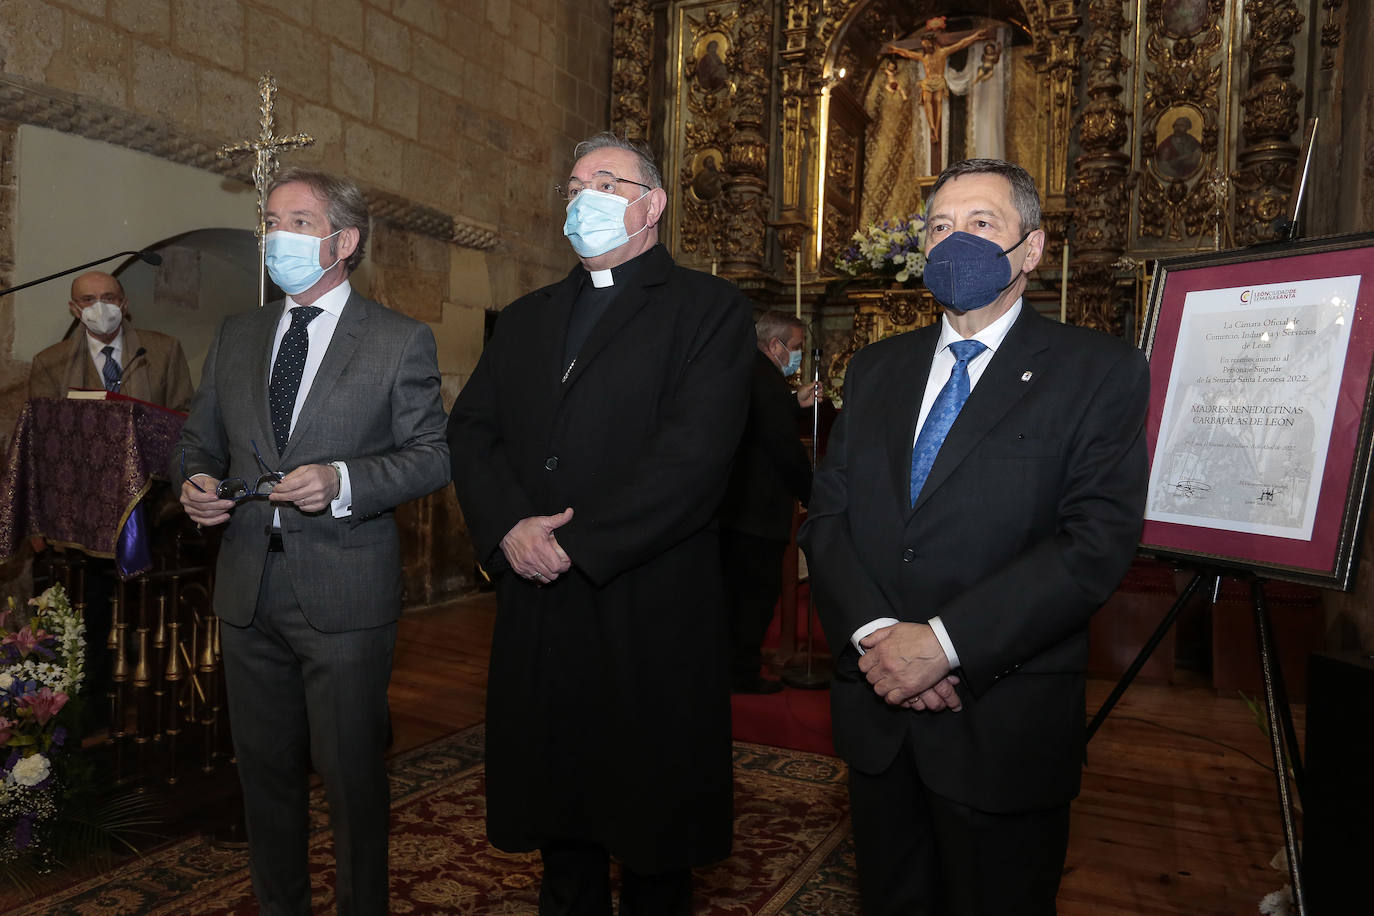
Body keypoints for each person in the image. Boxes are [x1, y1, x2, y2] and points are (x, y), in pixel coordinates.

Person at [798, 158, 1149, 915]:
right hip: (878, 708)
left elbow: (1093, 544)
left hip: (1001, 720)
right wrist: (878, 636)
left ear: (1032, 249)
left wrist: (945, 644)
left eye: (981, 224)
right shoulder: (879, 367)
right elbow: (829, 519)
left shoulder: (1099, 371)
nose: (955, 242)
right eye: (939, 227)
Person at [447, 131, 754, 914]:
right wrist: (511, 526)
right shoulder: (525, 318)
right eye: (575, 183)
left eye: (606, 182)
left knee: (653, 827)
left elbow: (695, 456)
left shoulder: (708, 310)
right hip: (539, 600)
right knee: (561, 816)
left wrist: (574, 543)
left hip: (648, 598)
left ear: (650, 206)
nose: (582, 196)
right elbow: (473, 431)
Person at [174, 168, 450, 915]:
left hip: (344, 593)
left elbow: (433, 454)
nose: (276, 236)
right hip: (245, 588)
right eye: (270, 220)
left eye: (297, 222)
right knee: (264, 778)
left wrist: (344, 481)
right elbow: (198, 442)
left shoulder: (398, 340)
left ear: (344, 241)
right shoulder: (237, 334)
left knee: (351, 777)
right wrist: (193, 484)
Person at [719, 311, 816, 694]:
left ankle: (726, 668)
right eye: (796, 349)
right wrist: (815, 497)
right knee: (754, 598)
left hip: (732, 509)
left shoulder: (746, 373)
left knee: (732, 594)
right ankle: (741, 674)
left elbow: (760, 422)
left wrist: (794, 403)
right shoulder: (769, 382)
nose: (798, 357)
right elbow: (782, 450)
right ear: (775, 346)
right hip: (758, 513)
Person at [28, 270, 194, 411]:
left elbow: (185, 415)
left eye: (109, 298)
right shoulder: (50, 363)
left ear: (124, 304)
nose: (100, 307)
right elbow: (41, 425)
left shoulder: (165, 349)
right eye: (88, 299)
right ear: (75, 309)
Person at [884, 27, 993, 139]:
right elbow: (908, 53)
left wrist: (974, 37)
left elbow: (961, 44)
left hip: (939, 80)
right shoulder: (924, 56)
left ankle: (936, 128)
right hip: (928, 81)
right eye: (924, 46)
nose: (925, 48)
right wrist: (896, 50)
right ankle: (932, 127)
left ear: (932, 43)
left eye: (927, 45)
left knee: (937, 101)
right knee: (927, 101)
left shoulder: (942, 52)